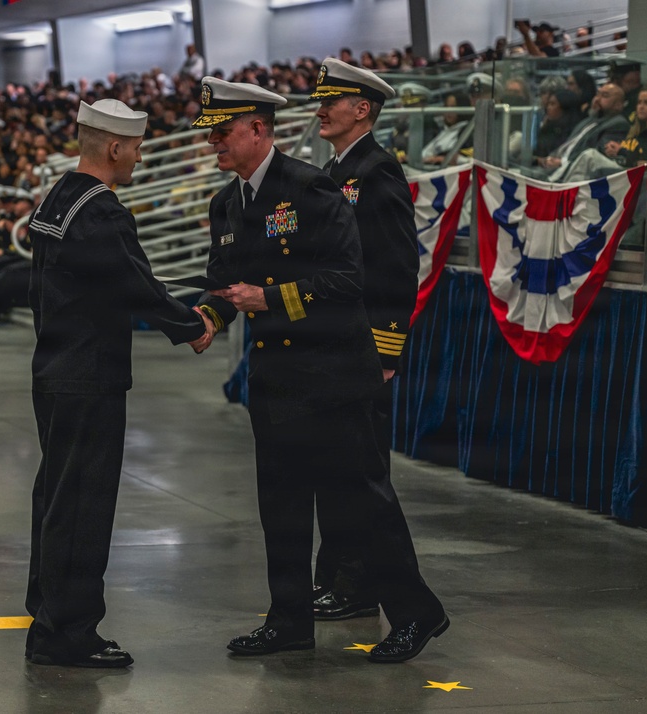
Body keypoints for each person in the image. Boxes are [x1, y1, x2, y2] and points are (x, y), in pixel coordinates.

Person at [191, 74, 447, 663]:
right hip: (276, 380)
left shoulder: (310, 188)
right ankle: (289, 621)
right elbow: (222, 285)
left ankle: (416, 611)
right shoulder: (226, 202)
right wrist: (206, 318)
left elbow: (348, 281)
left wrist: (269, 299)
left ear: (258, 128)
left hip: (332, 374)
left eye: (223, 133)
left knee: (361, 501)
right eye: (211, 136)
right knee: (278, 506)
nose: (214, 145)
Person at [25, 98, 213, 669]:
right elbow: (135, 284)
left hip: (55, 370)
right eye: (135, 146)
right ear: (113, 147)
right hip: (90, 376)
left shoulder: (59, 195)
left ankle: (48, 618)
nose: (138, 155)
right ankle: (71, 633)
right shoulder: (103, 211)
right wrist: (193, 325)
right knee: (83, 505)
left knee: (56, 501)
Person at [307, 59, 447, 660]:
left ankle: (416, 611)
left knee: (364, 485)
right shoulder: (336, 169)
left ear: (361, 109)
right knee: (337, 480)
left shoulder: (377, 170)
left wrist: (385, 351)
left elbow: (395, 270)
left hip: (361, 352)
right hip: (330, 349)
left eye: (330, 100)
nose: (319, 109)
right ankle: (351, 584)